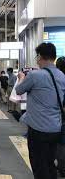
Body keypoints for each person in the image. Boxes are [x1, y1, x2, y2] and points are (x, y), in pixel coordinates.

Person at [15, 43, 65, 179]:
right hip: (55, 128)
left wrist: (21, 78)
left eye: (37, 56)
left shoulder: (34, 75)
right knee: (49, 164)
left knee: (39, 166)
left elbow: (19, 90)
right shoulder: (62, 76)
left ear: (40, 57)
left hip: (38, 129)